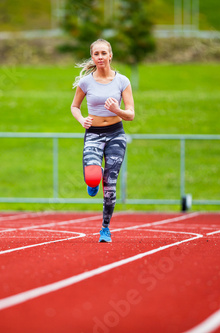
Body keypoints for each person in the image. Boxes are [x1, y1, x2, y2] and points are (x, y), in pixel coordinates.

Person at [70, 39, 135, 243]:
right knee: (91, 177)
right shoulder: (86, 82)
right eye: (96, 54)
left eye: (103, 53)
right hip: (94, 133)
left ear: (110, 55)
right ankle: (92, 182)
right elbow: (74, 106)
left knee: (110, 185)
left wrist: (117, 110)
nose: (100, 57)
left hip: (116, 134)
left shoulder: (122, 81)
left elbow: (131, 114)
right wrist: (82, 119)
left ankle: (105, 228)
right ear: (92, 57)